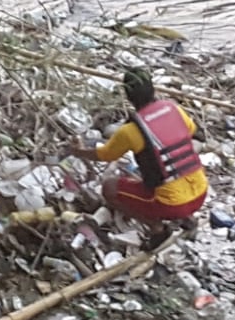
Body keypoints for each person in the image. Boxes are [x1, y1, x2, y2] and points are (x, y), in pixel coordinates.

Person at [66, 68, 207, 244]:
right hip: (201, 191)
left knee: (109, 188)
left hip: (173, 204)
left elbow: (105, 155)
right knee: (163, 172)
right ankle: (188, 219)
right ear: (153, 89)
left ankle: (157, 229)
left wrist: (77, 151)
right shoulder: (173, 109)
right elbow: (191, 130)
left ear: (128, 96)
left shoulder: (131, 130)